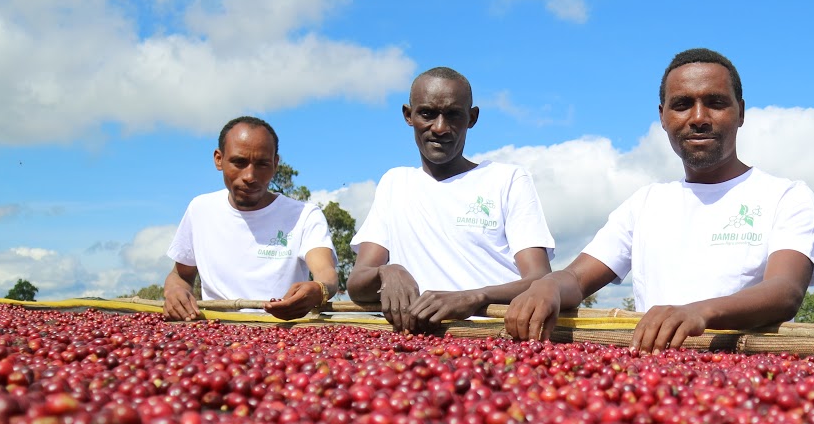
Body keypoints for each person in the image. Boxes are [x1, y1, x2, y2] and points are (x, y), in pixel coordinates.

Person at [505, 48, 814, 351]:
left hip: (748, 380)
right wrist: (548, 286)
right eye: (683, 104)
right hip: (658, 381)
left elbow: (785, 290)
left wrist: (699, 314)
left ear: (740, 112)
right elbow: (576, 277)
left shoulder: (786, 196)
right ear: (662, 116)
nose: (699, 117)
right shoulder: (646, 204)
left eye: (715, 102)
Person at [347, 67, 554, 331]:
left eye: (453, 115)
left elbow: (539, 279)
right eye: (427, 114)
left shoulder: (508, 179)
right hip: (418, 344)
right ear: (408, 116)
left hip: (496, 335)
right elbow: (357, 283)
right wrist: (387, 272)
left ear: (472, 117)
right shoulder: (395, 183)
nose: (440, 127)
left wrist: (474, 296)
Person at [164, 116, 340, 321]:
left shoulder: (304, 215)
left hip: (284, 335)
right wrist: (174, 292)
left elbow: (326, 273)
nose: (250, 176)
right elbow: (180, 275)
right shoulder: (200, 210)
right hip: (215, 332)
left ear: (275, 163)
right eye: (239, 162)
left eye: (262, 164)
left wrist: (319, 289)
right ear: (218, 159)